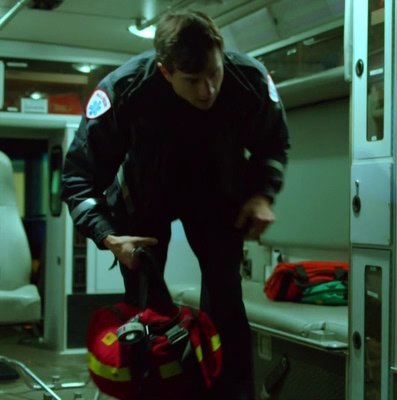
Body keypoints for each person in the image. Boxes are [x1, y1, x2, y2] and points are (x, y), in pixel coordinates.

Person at [61, 10, 289, 399]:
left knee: (226, 303)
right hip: (145, 202)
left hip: (217, 197)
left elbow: (274, 143)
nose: (207, 91)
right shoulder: (124, 90)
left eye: (214, 74)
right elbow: (78, 178)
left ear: (221, 53)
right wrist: (108, 237)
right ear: (165, 72)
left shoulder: (248, 79)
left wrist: (261, 195)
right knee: (146, 311)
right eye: (192, 80)